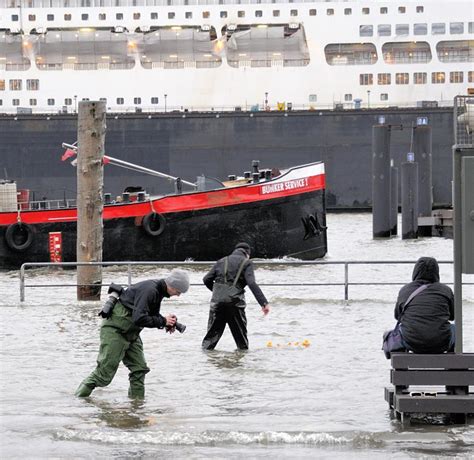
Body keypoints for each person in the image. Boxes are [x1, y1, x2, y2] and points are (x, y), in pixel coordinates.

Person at [75, 269, 190, 399]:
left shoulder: (159, 291)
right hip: (115, 331)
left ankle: (136, 409)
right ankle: (77, 401)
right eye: (178, 292)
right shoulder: (150, 290)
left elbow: (148, 315)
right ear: (172, 285)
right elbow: (139, 318)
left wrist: (165, 323)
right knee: (104, 375)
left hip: (131, 333)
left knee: (139, 369)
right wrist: (163, 320)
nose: (178, 295)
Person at [202, 242, 270, 350]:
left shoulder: (221, 261)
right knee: (241, 340)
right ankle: (240, 363)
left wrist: (218, 292)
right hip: (235, 303)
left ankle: (206, 364)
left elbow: (206, 279)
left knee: (210, 340)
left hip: (217, 302)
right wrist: (263, 303)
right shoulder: (246, 263)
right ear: (247, 254)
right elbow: (251, 283)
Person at [395, 256, 454, 353]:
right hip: (440, 342)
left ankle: (402, 366)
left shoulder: (405, 290)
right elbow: (452, 316)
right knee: (454, 328)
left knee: (402, 329)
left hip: (411, 342)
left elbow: (398, 316)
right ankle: (453, 365)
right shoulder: (445, 290)